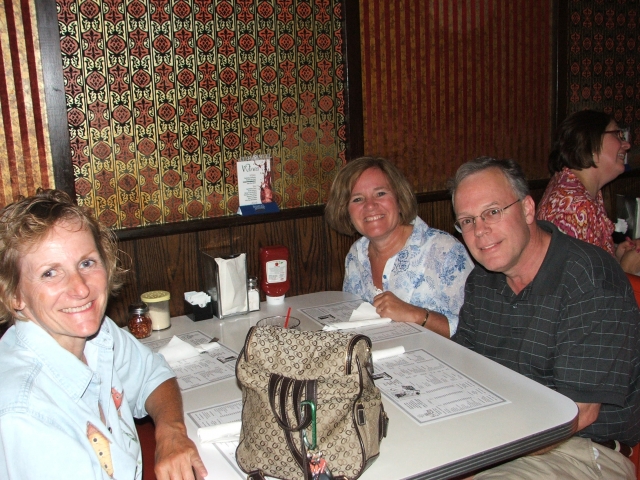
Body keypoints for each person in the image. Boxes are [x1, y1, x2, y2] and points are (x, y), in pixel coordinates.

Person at [449, 157, 640, 479]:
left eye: (493, 212)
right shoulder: (482, 280)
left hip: (581, 450)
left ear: (526, 209)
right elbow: (463, 365)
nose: (480, 231)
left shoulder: (588, 278)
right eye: (467, 221)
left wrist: (477, 445)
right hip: (505, 433)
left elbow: (577, 414)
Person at [0, 190, 207, 480]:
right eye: (50, 273)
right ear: (13, 295)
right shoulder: (25, 415)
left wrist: (171, 432)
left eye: (86, 263)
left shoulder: (94, 333)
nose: (81, 289)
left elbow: (152, 375)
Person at [325, 156, 474, 338]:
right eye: (357, 199)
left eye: (380, 193)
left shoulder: (445, 251)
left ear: (399, 198)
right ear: (345, 210)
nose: (370, 205)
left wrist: (415, 314)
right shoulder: (355, 254)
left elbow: (475, 332)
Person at [537, 109, 640, 275]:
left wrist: (616, 256)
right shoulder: (574, 206)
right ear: (590, 142)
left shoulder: (581, 189)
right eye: (618, 135)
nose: (626, 145)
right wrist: (627, 269)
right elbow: (585, 293)